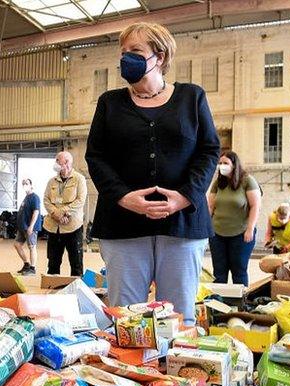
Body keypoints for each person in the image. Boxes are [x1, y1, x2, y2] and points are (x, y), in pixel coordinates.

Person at [86, 22, 220, 325]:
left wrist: (185, 196)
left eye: (135, 51)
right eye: (123, 53)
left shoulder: (192, 97)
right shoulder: (110, 103)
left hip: (183, 224)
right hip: (122, 224)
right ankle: (130, 372)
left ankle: (175, 370)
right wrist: (122, 197)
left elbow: (209, 150)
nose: (126, 59)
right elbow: (96, 156)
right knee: (126, 319)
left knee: (178, 316)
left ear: (158, 56)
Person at [206, 151, 261, 285]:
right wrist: (206, 229)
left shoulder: (247, 180)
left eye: (225, 163)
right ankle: (219, 303)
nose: (221, 166)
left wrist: (250, 229)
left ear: (234, 165)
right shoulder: (218, 183)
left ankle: (240, 303)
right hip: (217, 234)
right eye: (220, 163)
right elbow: (210, 207)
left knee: (239, 270)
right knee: (219, 272)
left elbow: (255, 206)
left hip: (241, 234)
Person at [43, 151, 88, 276]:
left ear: (67, 162)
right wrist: (55, 214)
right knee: (53, 263)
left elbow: (80, 200)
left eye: (58, 161)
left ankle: (76, 291)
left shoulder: (79, 179)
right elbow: (46, 200)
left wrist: (63, 212)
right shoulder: (52, 181)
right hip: (54, 227)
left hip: (72, 226)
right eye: (56, 160)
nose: (56, 163)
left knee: (76, 263)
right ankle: (52, 289)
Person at [14, 178, 41, 274]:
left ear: (31, 185)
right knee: (17, 245)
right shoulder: (26, 198)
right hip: (22, 227)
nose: (25, 185)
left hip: (30, 227)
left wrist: (31, 226)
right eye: (23, 183)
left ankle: (32, 268)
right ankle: (26, 264)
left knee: (32, 246)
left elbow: (36, 212)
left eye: (27, 183)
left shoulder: (34, 197)